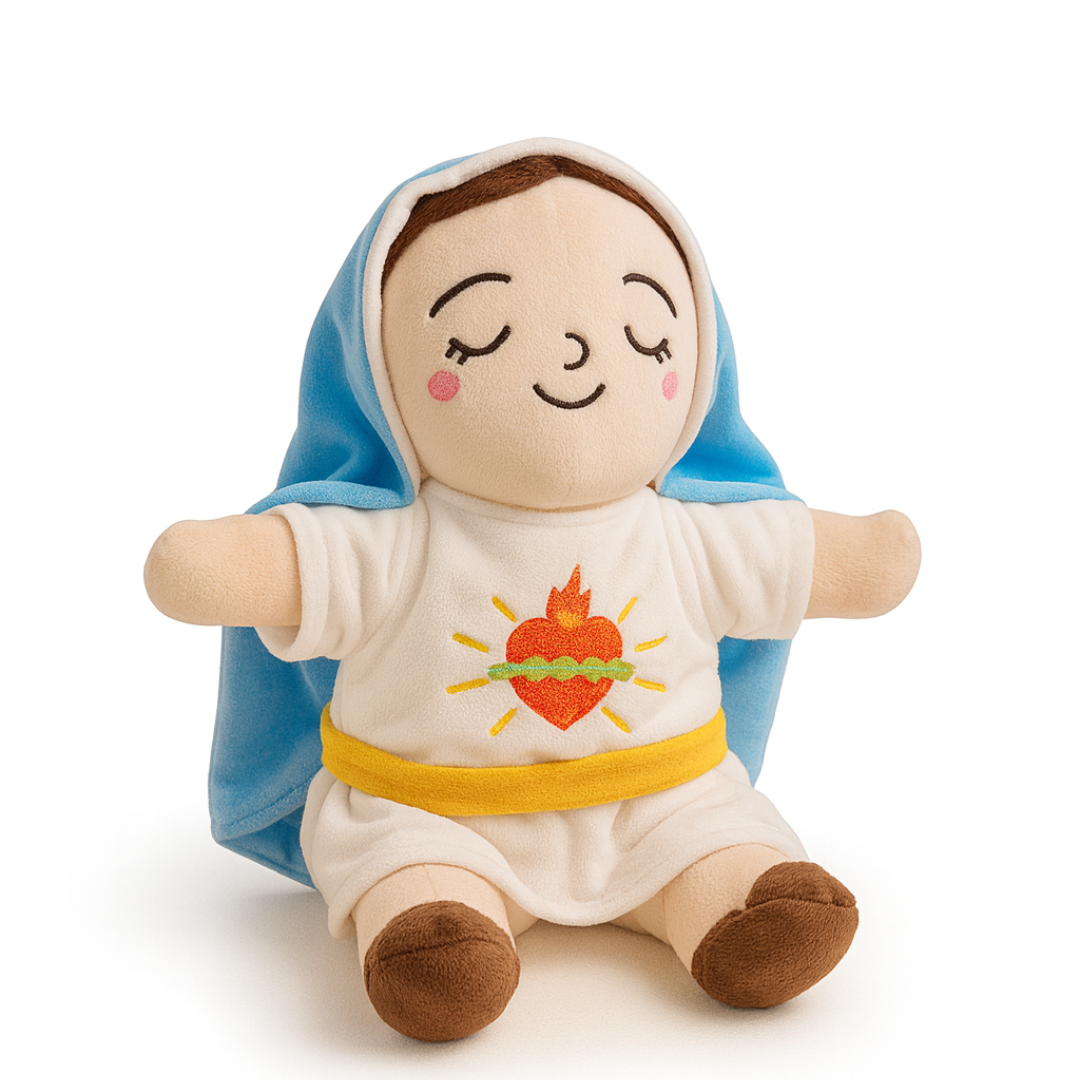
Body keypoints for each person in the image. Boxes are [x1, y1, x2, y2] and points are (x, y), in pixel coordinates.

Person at [145, 141, 920, 1042]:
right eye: (479, 336)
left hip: (665, 801)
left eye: (646, 336)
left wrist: (873, 555)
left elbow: (839, 562)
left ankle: (730, 897)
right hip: (435, 812)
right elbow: (260, 568)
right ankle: (438, 919)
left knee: (718, 836)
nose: (580, 355)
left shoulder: (688, 533)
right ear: (381, 373)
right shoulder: (391, 543)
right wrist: (214, 562)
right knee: (412, 874)